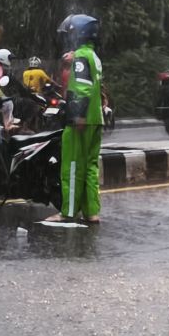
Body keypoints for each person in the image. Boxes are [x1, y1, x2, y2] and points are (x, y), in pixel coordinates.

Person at [45, 15, 103, 224]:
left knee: (71, 166)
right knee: (90, 167)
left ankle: (68, 212)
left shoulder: (80, 57)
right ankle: (91, 211)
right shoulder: (94, 56)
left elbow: (83, 87)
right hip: (96, 118)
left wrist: (77, 114)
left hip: (81, 119)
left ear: (78, 34)